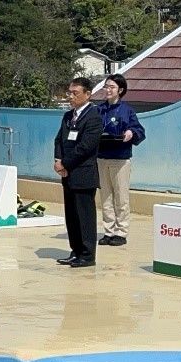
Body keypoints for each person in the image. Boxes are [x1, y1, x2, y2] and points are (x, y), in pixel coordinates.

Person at [54, 77, 103, 268]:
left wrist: (65, 163)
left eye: (75, 93)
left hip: (83, 174)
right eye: (70, 93)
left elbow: (86, 147)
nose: (71, 97)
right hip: (67, 174)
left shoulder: (93, 117)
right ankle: (75, 250)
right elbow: (59, 140)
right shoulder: (68, 116)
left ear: (87, 94)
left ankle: (87, 255)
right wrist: (58, 160)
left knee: (85, 217)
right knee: (72, 215)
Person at [97, 74, 145, 247]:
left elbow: (139, 130)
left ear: (120, 90)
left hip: (120, 159)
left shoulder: (127, 110)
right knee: (105, 197)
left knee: (121, 197)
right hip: (102, 158)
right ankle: (108, 231)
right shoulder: (99, 109)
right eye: (106, 86)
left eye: (112, 87)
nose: (108, 90)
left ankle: (121, 231)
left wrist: (131, 133)